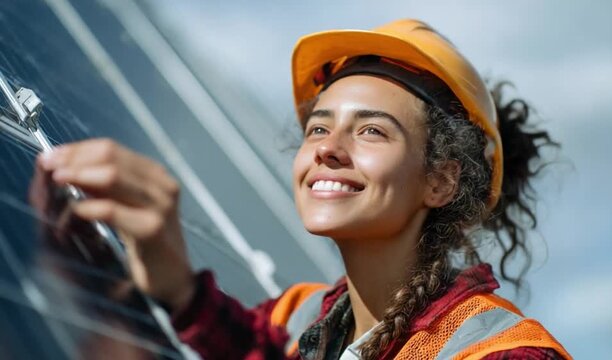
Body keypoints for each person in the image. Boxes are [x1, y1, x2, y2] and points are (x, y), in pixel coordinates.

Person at [36, 19, 571, 359]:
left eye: (370, 130)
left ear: (440, 180)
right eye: (318, 126)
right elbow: (246, 345)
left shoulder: (501, 353)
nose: (327, 148)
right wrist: (172, 278)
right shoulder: (299, 320)